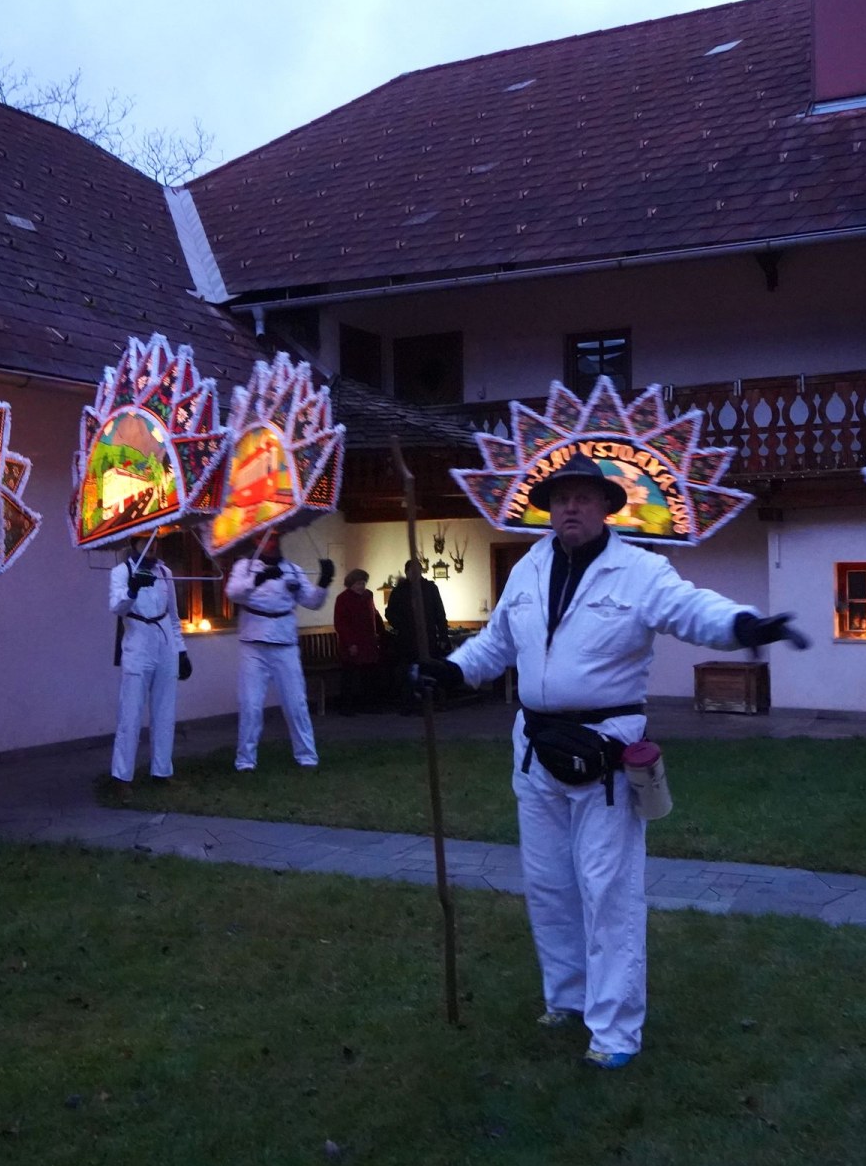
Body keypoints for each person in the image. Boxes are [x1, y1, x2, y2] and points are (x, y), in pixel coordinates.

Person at [412, 454, 807, 1071]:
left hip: (607, 757)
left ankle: (616, 1031)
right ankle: (566, 998)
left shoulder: (641, 572)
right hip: (534, 751)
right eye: (560, 498)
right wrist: (451, 669)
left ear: (606, 507)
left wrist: (745, 625)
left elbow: (692, 609)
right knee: (548, 884)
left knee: (608, 891)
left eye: (583, 497)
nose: (570, 507)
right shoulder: (527, 569)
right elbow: (496, 644)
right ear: (549, 509)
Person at [226, 536, 332, 771]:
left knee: (296, 703)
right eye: (267, 537)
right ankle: (245, 760)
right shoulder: (245, 567)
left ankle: (307, 756)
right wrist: (259, 578)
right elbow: (233, 593)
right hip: (253, 644)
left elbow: (312, 602)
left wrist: (324, 582)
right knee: (251, 704)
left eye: (275, 537)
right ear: (257, 541)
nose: (272, 541)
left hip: (285, 643)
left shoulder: (293, 569)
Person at [107, 542, 192, 794]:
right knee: (130, 713)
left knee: (165, 711)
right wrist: (132, 589)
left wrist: (181, 650)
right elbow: (116, 607)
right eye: (145, 539)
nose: (151, 545)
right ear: (134, 543)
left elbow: (173, 616)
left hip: (164, 643)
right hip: (138, 643)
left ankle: (162, 771)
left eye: (154, 539)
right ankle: (122, 777)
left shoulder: (165, 573)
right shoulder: (121, 572)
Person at [332, 568, 384, 715]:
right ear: (351, 584)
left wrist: (380, 631)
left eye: (363, 583)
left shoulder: (368, 595)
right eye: (358, 583)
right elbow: (341, 623)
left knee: (369, 674)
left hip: (368, 640)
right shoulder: (343, 598)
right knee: (349, 674)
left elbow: (373, 613)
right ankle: (347, 707)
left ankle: (368, 704)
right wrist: (350, 644)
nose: (361, 586)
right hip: (352, 641)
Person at [386, 558, 449, 663]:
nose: (415, 574)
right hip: (407, 639)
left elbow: (439, 613)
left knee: (429, 666)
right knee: (410, 666)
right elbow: (390, 613)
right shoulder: (399, 590)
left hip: (428, 636)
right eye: (412, 571)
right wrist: (402, 625)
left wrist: (443, 636)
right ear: (407, 572)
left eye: (417, 571)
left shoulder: (430, 588)